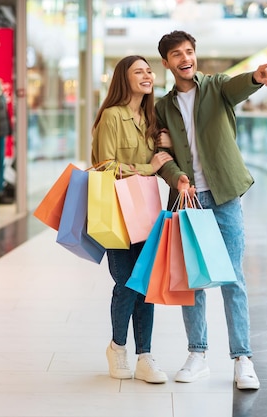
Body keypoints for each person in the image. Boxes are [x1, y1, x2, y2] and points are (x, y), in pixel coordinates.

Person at [154, 30, 267, 390]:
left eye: (189, 52)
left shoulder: (216, 87)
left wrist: (255, 78)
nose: (185, 58)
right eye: (176, 54)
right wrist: (177, 179)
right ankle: (197, 354)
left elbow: (239, 86)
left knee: (233, 278)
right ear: (167, 62)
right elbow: (161, 157)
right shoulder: (163, 106)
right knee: (193, 281)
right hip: (188, 200)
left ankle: (242, 359)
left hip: (224, 196)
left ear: (195, 55)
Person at [91, 55, 174, 384]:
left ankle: (145, 356)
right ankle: (118, 348)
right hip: (118, 209)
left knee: (145, 286)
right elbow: (103, 167)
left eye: (149, 70)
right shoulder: (111, 116)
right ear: (123, 79)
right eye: (138, 71)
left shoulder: (152, 118)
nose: (147, 75)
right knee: (126, 282)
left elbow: (164, 159)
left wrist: (166, 148)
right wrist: (147, 168)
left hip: (147, 210)